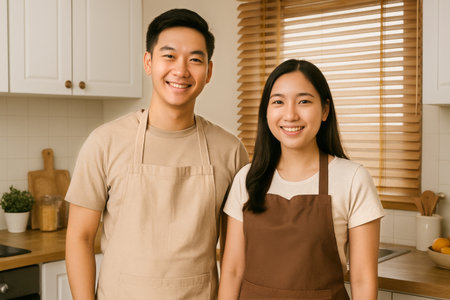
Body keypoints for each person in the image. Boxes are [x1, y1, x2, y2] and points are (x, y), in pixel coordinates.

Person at [65, 8, 249, 300]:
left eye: (195, 60)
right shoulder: (104, 143)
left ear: (209, 72)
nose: (181, 70)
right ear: (148, 62)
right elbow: (79, 238)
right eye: (169, 56)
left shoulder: (231, 151)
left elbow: (234, 252)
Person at [218, 59, 384, 300]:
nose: (290, 114)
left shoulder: (353, 178)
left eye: (304, 101)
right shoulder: (247, 178)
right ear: (266, 111)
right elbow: (232, 271)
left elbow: (362, 277)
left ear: (325, 110)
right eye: (278, 102)